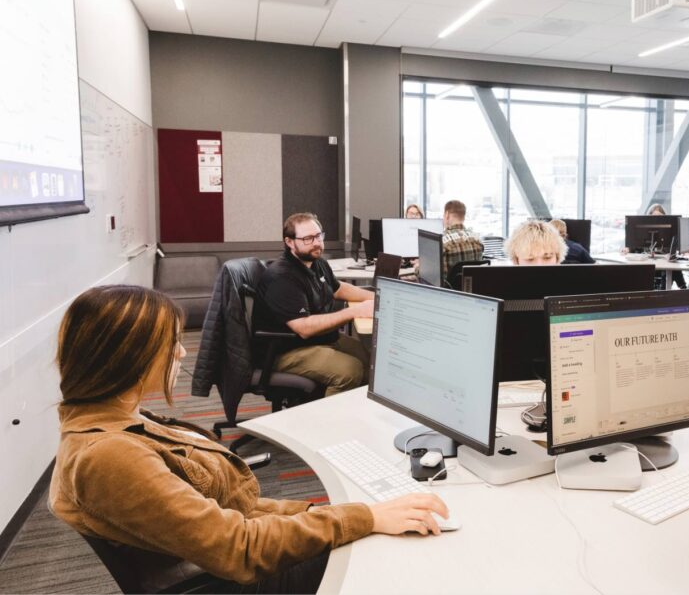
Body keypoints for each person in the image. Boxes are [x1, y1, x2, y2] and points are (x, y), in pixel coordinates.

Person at [50, 285, 449, 592]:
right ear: (129, 356)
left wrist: (324, 513)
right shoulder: (110, 456)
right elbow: (239, 546)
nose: (181, 354)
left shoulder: (118, 421)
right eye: (170, 344)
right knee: (392, 555)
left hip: (219, 563)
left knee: (376, 527)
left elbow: (231, 508)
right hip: (232, 582)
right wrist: (363, 518)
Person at [253, 213, 374, 396]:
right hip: (286, 349)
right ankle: (325, 422)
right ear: (290, 242)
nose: (317, 243)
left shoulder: (316, 262)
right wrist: (354, 311)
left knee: (371, 362)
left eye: (319, 236)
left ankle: (351, 417)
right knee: (350, 371)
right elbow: (304, 328)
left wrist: (376, 297)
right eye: (308, 238)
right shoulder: (282, 276)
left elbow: (338, 288)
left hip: (320, 339)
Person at [440, 199, 484, 280]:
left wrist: (420, 267)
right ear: (463, 216)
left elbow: (439, 278)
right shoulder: (478, 239)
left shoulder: (441, 241)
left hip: (449, 292)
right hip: (473, 290)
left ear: (446, 215)